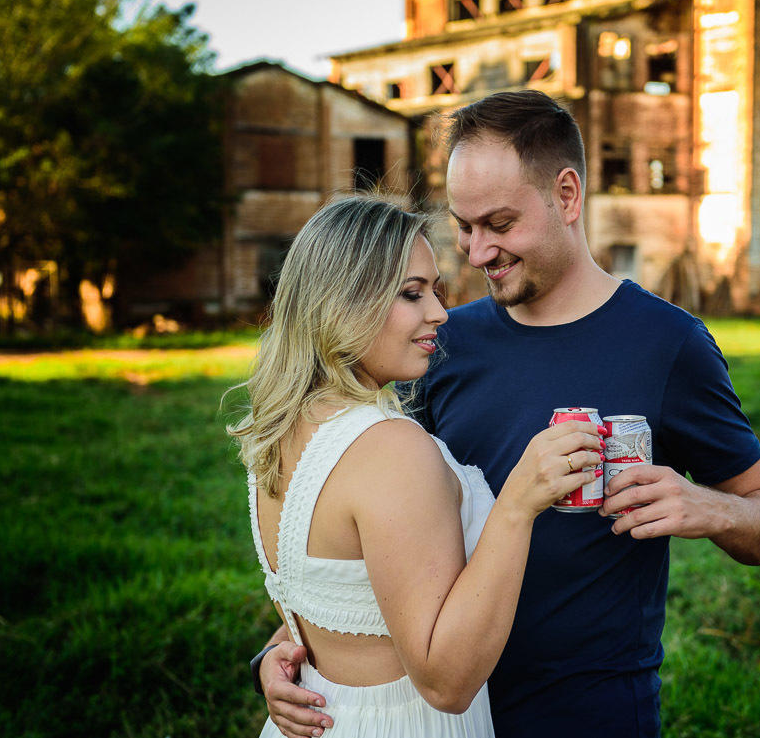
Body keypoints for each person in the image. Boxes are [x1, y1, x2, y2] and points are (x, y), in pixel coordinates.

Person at [260, 91, 760, 737]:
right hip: (442, 710)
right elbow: (377, 536)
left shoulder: (669, 345)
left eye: (500, 223)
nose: (477, 252)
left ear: (566, 196)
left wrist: (707, 506)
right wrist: (289, 646)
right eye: (464, 226)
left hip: (589, 716)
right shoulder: (437, 343)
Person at [231, 195, 605, 737]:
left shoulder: (279, 430)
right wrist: (518, 503)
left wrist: (270, 655)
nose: (439, 314)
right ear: (343, 303)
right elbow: (446, 683)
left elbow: (335, 594)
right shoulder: (391, 449)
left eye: (435, 291)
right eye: (412, 294)